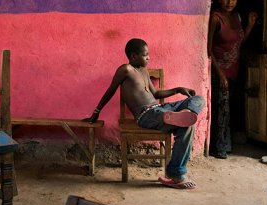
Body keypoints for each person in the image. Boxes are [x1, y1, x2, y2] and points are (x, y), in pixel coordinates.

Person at [86, 38, 205, 189]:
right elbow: (110, 90)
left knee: (197, 103)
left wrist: (178, 89)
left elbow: (156, 93)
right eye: (145, 55)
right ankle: (177, 174)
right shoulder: (125, 69)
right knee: (186, 126)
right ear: (134, 56)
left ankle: (184, 113)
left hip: (160, 109)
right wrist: (96, 112)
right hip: (146, 115)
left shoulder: (144, 71)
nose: (149, 57)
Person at [207, 0, 257, 159]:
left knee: (229, 108)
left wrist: (249, 26)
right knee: (221, 109)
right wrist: (220, 74)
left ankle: (225, 145)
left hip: (234, 70)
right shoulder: (215, 17)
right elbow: (208, 49)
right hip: (218, 72)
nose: (230, 2)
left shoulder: (237, 16)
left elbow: (238, 44)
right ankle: (218, 147)